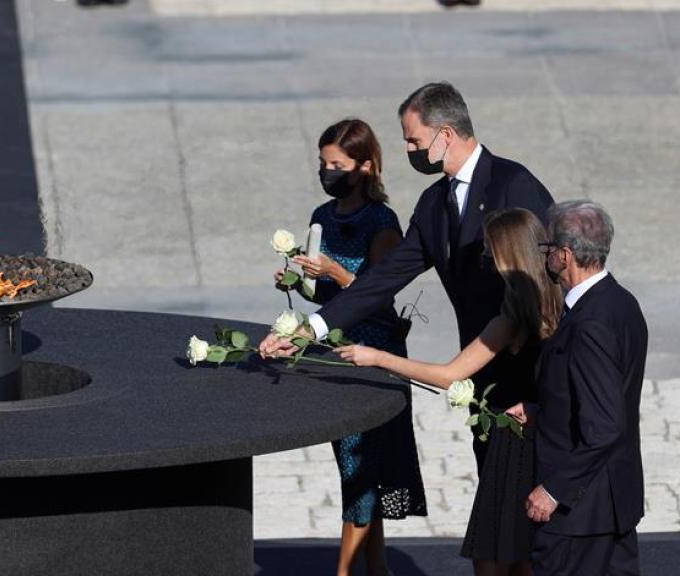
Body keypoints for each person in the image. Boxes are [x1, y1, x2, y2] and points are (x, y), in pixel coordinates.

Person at [260, 81, 554, 472]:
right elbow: (384, 278)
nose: (408, 150)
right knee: (495, 483)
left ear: (445, 134)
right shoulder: (434, 204)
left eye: (414, 141)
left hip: (531, 368)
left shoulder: (512, 184)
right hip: (480, 372)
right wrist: (310, 329)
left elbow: (548, 276)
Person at [338, 208, 561, 576]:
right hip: (540, 442)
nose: (485, 262)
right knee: (523, 556)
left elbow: (449, 375)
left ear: (508, 257)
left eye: (491, 253)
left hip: (515, 444)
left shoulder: (510, 319)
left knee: (493, 556)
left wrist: (378, 357)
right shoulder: (556, 308)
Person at [279, 118, 427, 576]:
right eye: (323, 164)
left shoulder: (381, 222)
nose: (327, 172)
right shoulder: (322, 217)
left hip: (372, 355)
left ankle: (345, 571)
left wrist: (336, 274)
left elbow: (380, 294)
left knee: (361, 464)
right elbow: (320, 298)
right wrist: (297, 281)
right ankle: (376, 567)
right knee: (356, 466)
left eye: (337, 164)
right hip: (334, 353)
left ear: (364, 167)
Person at [514, 201, 646, 576]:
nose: (545, 257)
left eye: (548, 249)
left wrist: (553, 490)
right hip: (610, 505)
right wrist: (543, 411)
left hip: (580, 516)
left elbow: (604, 425)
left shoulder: (590, 323)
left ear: (565, 254)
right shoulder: (621, 303)